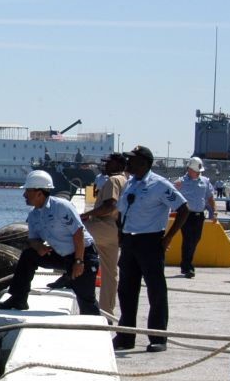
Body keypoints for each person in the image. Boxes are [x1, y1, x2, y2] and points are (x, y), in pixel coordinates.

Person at [114, 145, 189, 352]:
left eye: (132, 159)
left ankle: (158, 337)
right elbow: (121, 212)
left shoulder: (160, 185)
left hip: (150, 241)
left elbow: (183, 209)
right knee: (126, 290)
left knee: (156, 291)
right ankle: (125, 337)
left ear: (144, 163)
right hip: (130, 241)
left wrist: (168, 238)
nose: (128, 163)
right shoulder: (130, 183)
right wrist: (120, 232)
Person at [0, 170, 101, 315]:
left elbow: (78, 233)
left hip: (83, 255)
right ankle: (18, 298)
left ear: (39, 193)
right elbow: (33, 239)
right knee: (29, 255)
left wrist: (79, 262)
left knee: (86, 301)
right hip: (61, 255)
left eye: (27, 191)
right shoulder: (33, 215)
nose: (24, 195)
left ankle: (94, 326)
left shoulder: (61, 207)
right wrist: (38, 246)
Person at [80, 152, 127, 315]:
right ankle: (107, 310)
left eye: (109, 163)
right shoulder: (125, 180)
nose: (105, 165)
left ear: (119, 165)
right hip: (116, 230)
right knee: (110, 272)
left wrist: (87, 215)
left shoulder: (113, 180)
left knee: (73, 236)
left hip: (103, 226)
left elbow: (109, 206)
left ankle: (68, 276)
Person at [173, 156, 217, 279]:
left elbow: (210, 198)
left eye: (199, 171)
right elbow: (170, 195)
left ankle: (185, 264)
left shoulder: (205, 181)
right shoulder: (180, 182)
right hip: (186, 215)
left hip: (199, 215)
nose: (198, 173)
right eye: (196, 171)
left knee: (196, 239)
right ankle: (188, 267)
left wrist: (214, 212)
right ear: (189, 169)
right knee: (188, 240)